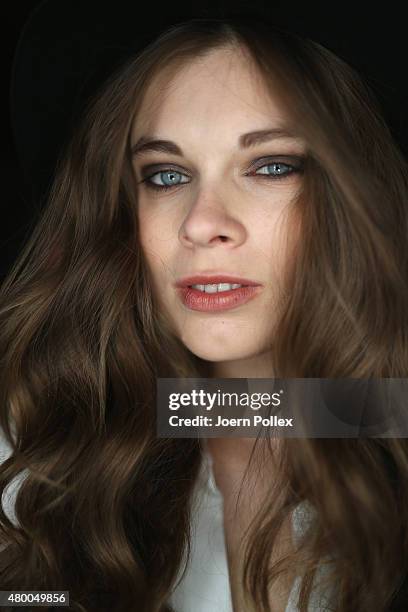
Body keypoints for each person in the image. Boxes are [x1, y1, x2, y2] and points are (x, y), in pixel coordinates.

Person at [2, 8, 408, 612]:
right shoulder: (41, 440)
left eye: (271, 166)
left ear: (360, 191)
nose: (201, 223)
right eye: (166, 175)